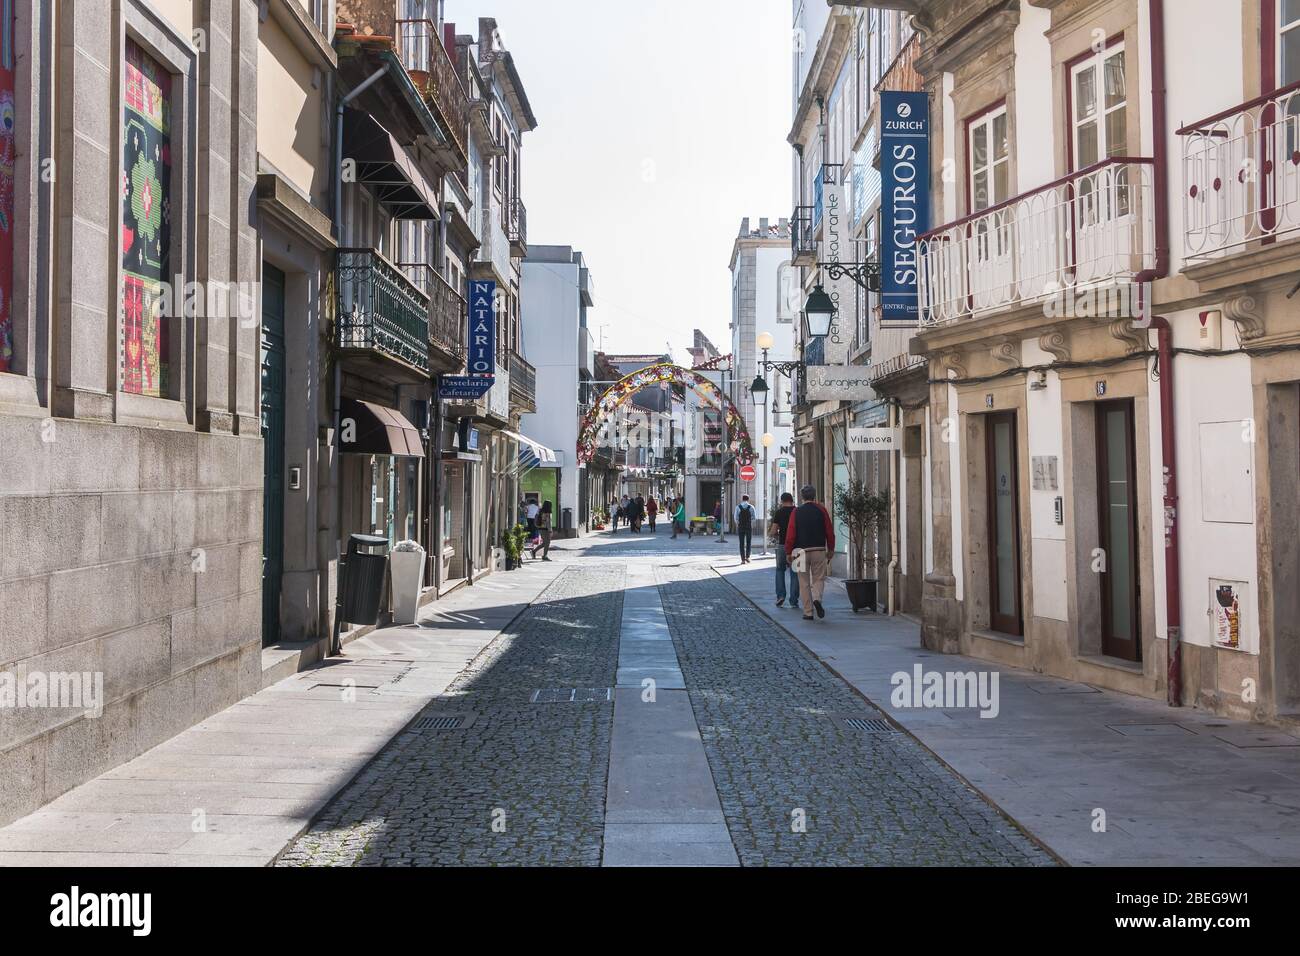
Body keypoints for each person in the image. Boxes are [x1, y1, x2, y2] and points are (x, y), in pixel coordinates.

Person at [785, 484, 835, 621]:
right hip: (818, 549)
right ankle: (817, 598)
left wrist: (788, 552)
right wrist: (831, 548)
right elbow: (829, 531)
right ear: (814, 496)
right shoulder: (822, 510)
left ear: (802, 497)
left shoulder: (796, 512)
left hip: (799, 551)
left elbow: (791, 533)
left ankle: (808, 612)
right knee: (819, 578)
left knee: (803, 581)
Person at [771, 492, 800, 610]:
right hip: (797, 546)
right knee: (796, 572)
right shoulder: (798, 511)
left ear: (782, 501)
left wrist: (777, 535)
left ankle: (780, 596)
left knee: (780, 570)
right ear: (792, 501)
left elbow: (773, 531)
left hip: (783, 545)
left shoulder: (779, 512)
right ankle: (794, 600)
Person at [734, 494, 756, 564]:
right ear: (748, 499)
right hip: (748, 527)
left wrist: (738, 524)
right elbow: (754, 518)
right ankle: (748, 557)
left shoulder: (738, 507)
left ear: (742, 499)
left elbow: (735, 517)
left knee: (741, 543)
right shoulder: (751, 507)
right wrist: (751, 524)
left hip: (741, 527)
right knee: (748, 542)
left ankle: (742, 559)